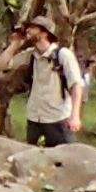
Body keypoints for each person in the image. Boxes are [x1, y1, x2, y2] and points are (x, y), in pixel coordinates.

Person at [14, 18, 87, 147]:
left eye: (33, 28)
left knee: (64, 160)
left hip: (57, 118)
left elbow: (76, 85)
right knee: (34, 161)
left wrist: (75, 116)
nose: (28, 31)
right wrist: (14, 44)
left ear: (44, 33)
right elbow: (0, 67)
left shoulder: (63, 55)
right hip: (34, 117)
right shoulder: (30, 56)